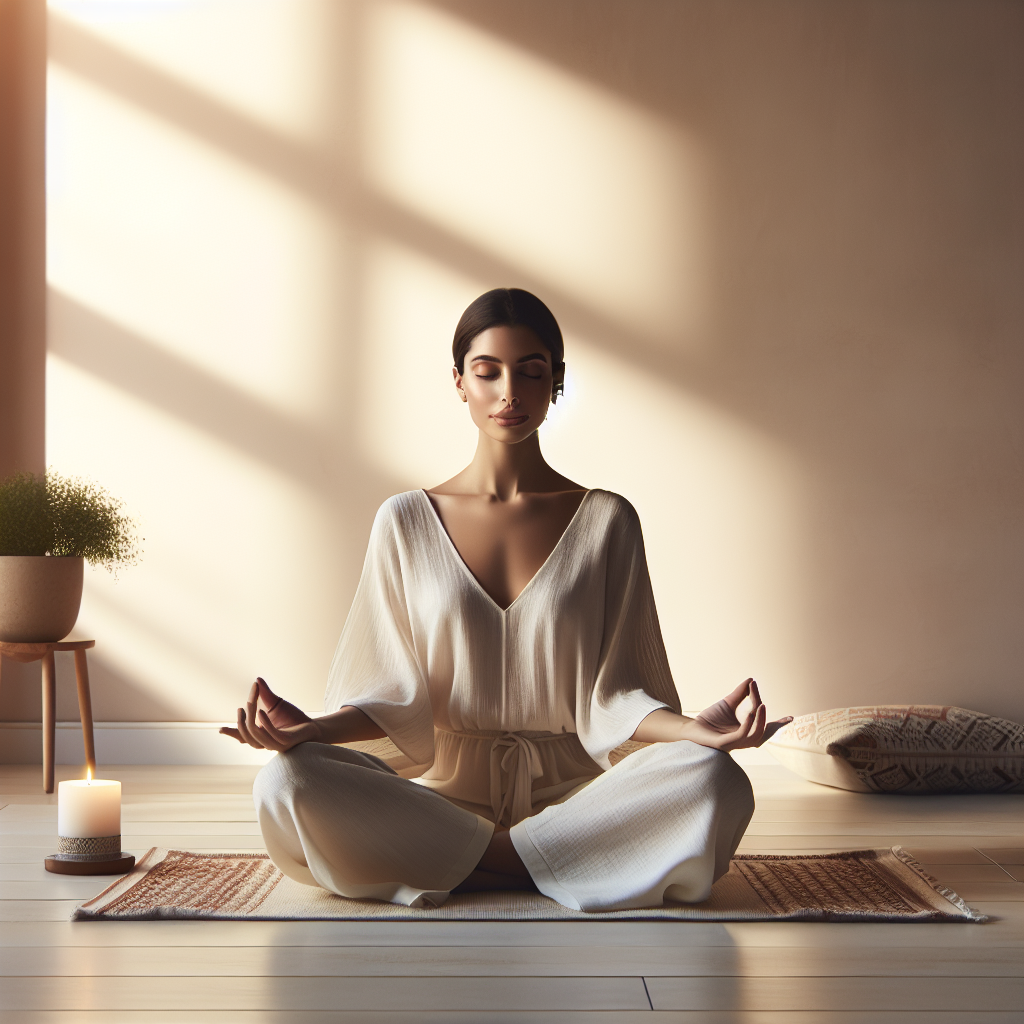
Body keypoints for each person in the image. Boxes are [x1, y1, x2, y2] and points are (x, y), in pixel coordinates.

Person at [221, 287, 791, 912]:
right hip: (440, 800)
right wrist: (310, 730)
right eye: (487, 372)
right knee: (285, 781)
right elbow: (391, 698)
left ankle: (471, 862)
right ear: (460, 383)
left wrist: (694, 733)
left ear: (558, 384)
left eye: (532, 372)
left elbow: (617, 696)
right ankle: (547, 862)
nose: (509, 393)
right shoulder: (405, 521)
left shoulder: (607, 521)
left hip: (579, 800)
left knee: (714, 780)